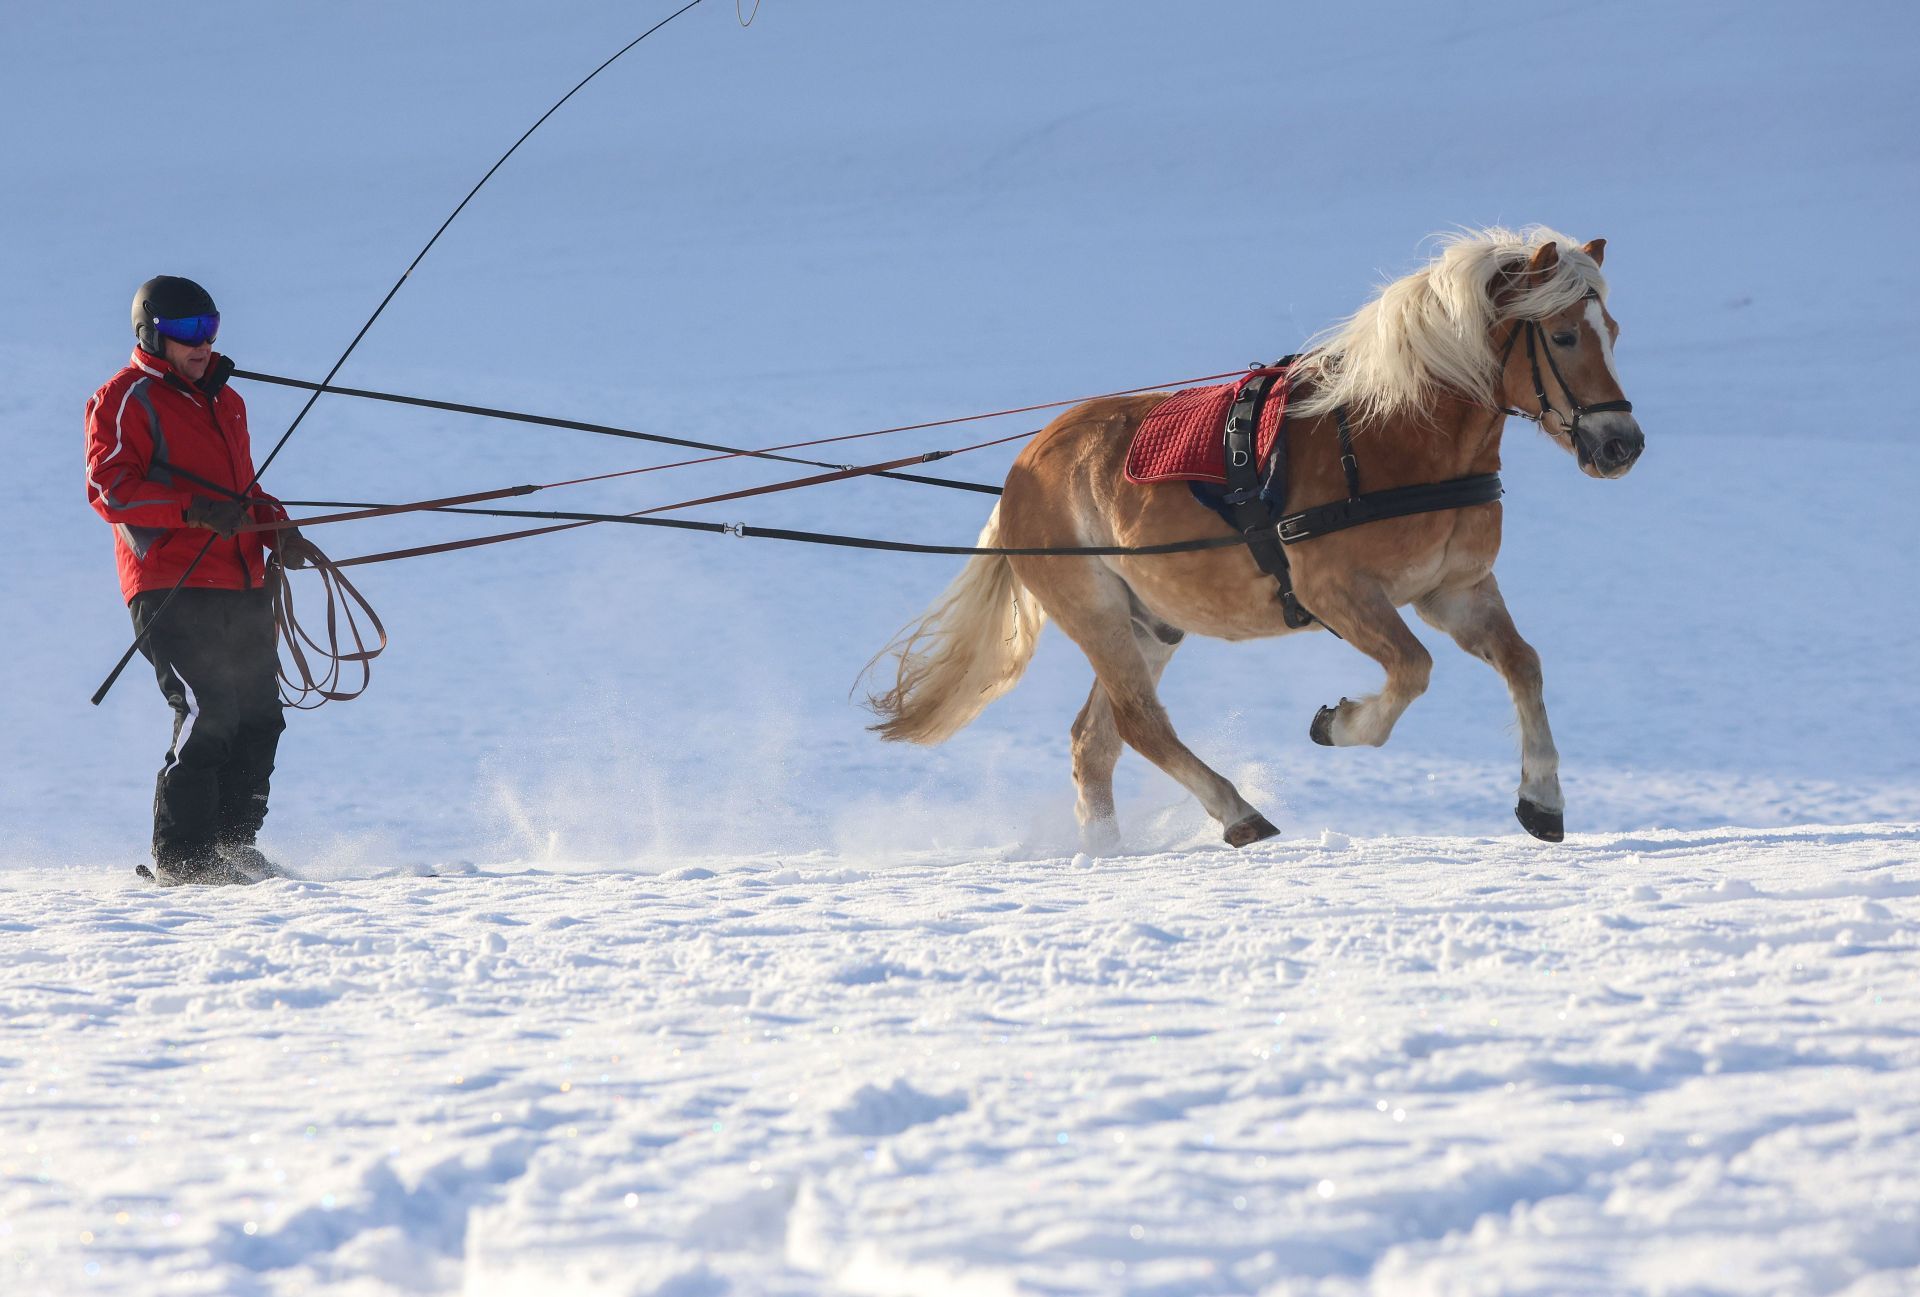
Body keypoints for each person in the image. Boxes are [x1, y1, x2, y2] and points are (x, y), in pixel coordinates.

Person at [84, 276, 317, 886]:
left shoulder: (228, 401)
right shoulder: (124, 398)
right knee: (211, 708)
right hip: (171, 584)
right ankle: (184, 862)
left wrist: (279, 530)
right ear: (150, 334)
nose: (202, 344)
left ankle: (233, 850)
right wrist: (189, 508)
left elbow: (241, 494)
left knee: (260, 715)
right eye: (187, 332)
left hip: (240, 582)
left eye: (209, 329)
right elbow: (109, 489)